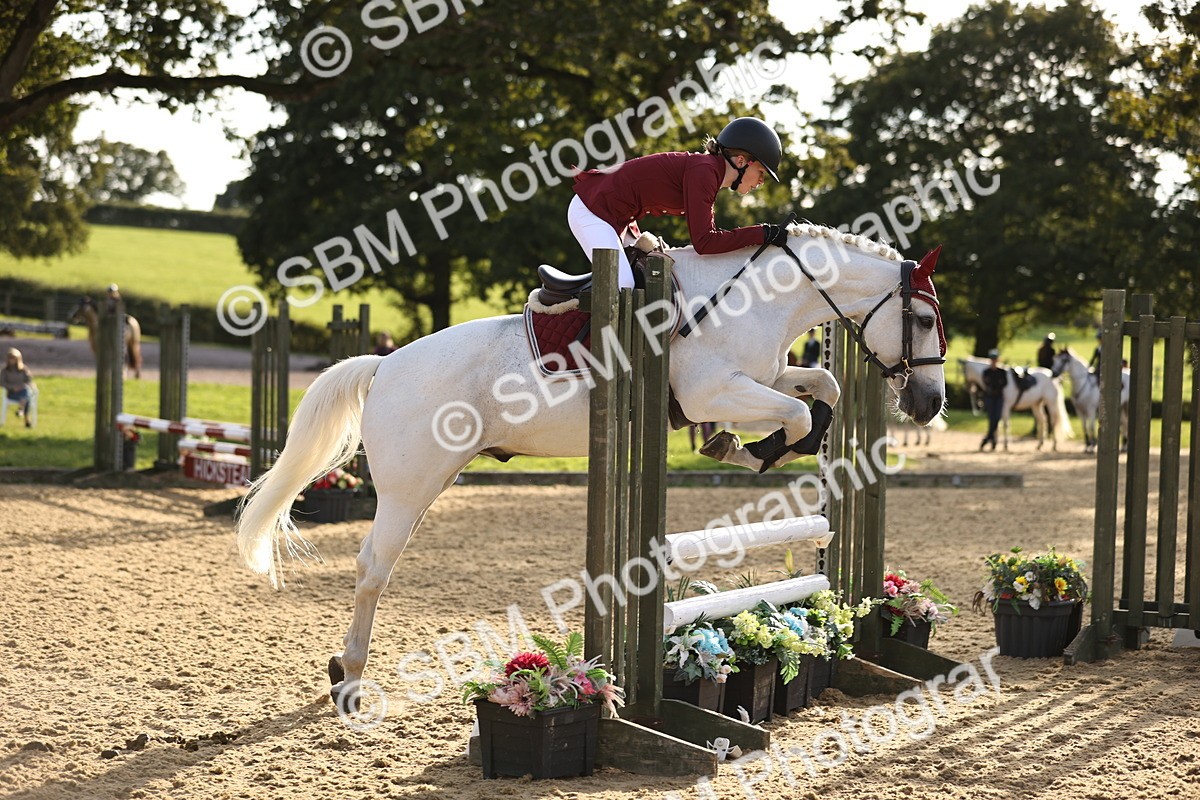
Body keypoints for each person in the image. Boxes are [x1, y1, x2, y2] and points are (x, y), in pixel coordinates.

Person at [569, 117, 786, 289]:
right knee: (624, 285)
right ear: (741, 161)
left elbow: (708, 240)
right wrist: (762, 234)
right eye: (761, 172)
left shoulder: (709, 171)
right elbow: (705, 243)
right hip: (592, 210)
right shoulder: (705, 172)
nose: (761, 181)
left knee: (649, 279)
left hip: (618, 219)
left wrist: (762, 234)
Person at [980, 348, 1007, 451]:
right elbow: (987, 384)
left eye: (995, 359)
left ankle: (988, 438)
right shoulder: (986, 372)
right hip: (990, 398)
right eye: (992, 359)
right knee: (992, 419)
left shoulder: (1002, 372)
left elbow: (1004, 383)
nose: (993, 361)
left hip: (998, 398)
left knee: (997, 418)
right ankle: (993, 440)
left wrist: (995, 386)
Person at [2, 348, 36, 428]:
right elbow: (2, 383)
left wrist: (25, 385)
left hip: (23, 390)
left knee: (26, 393)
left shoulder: (23, 369)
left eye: (14, 358)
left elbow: (28, 380)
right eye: (10, 358)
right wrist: (13, 387)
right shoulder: (5, 371)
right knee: (26, 397)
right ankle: (26, 418)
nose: (12, 360)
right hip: (12, 393)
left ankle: (21, 410)